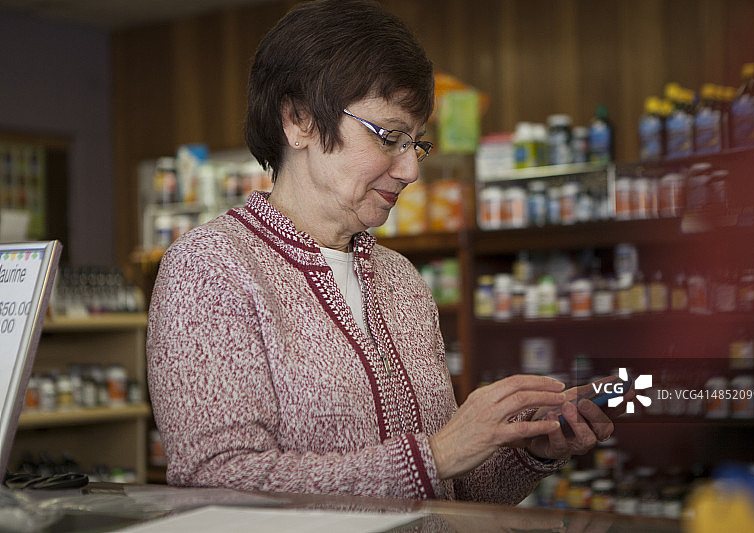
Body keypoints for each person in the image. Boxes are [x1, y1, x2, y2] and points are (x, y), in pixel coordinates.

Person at [146, 0, 615, 504]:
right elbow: (215, 483)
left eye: (417, 144)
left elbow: (450, 495)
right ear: (299, 120)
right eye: (390, 137)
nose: (411, 171)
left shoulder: (401, 279)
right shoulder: (210, 266)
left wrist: (529, 450)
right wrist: (433, 456)